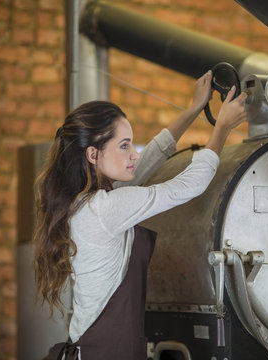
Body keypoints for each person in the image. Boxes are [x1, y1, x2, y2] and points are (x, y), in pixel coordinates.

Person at [33, 70, 247, 360]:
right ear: (93, 155)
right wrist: (223, 126)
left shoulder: (86, 202)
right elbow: (190, 185)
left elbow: (150, 158)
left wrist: (194, 109)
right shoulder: (105, 209)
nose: (134, 154)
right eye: (124, 146)